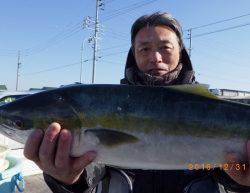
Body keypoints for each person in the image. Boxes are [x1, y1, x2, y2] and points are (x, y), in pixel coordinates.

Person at [24, 12, 250, 193]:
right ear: (134, 54)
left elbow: (226, 169)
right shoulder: (106, 105)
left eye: (165, 48)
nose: (156, 57)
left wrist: (243, 179)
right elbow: (93, 167)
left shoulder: (211, 108)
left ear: (181, 52)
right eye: (145, 49)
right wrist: (68, 179)